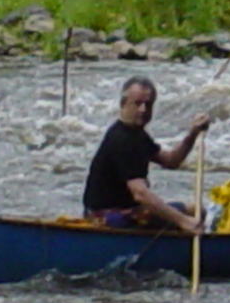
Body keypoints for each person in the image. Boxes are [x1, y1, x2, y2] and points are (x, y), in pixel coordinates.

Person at [83, 77, 211, 232]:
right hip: (106, 217)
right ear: (123, 104)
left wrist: (193, 134)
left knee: (196, 210)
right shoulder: (121, 139)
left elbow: (172, 161)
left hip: (129, 210)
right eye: (137, 103)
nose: (143, 110)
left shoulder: (138, 135)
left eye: (148, 105)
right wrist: (183, 221)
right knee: (192, 214)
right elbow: (140, 194)